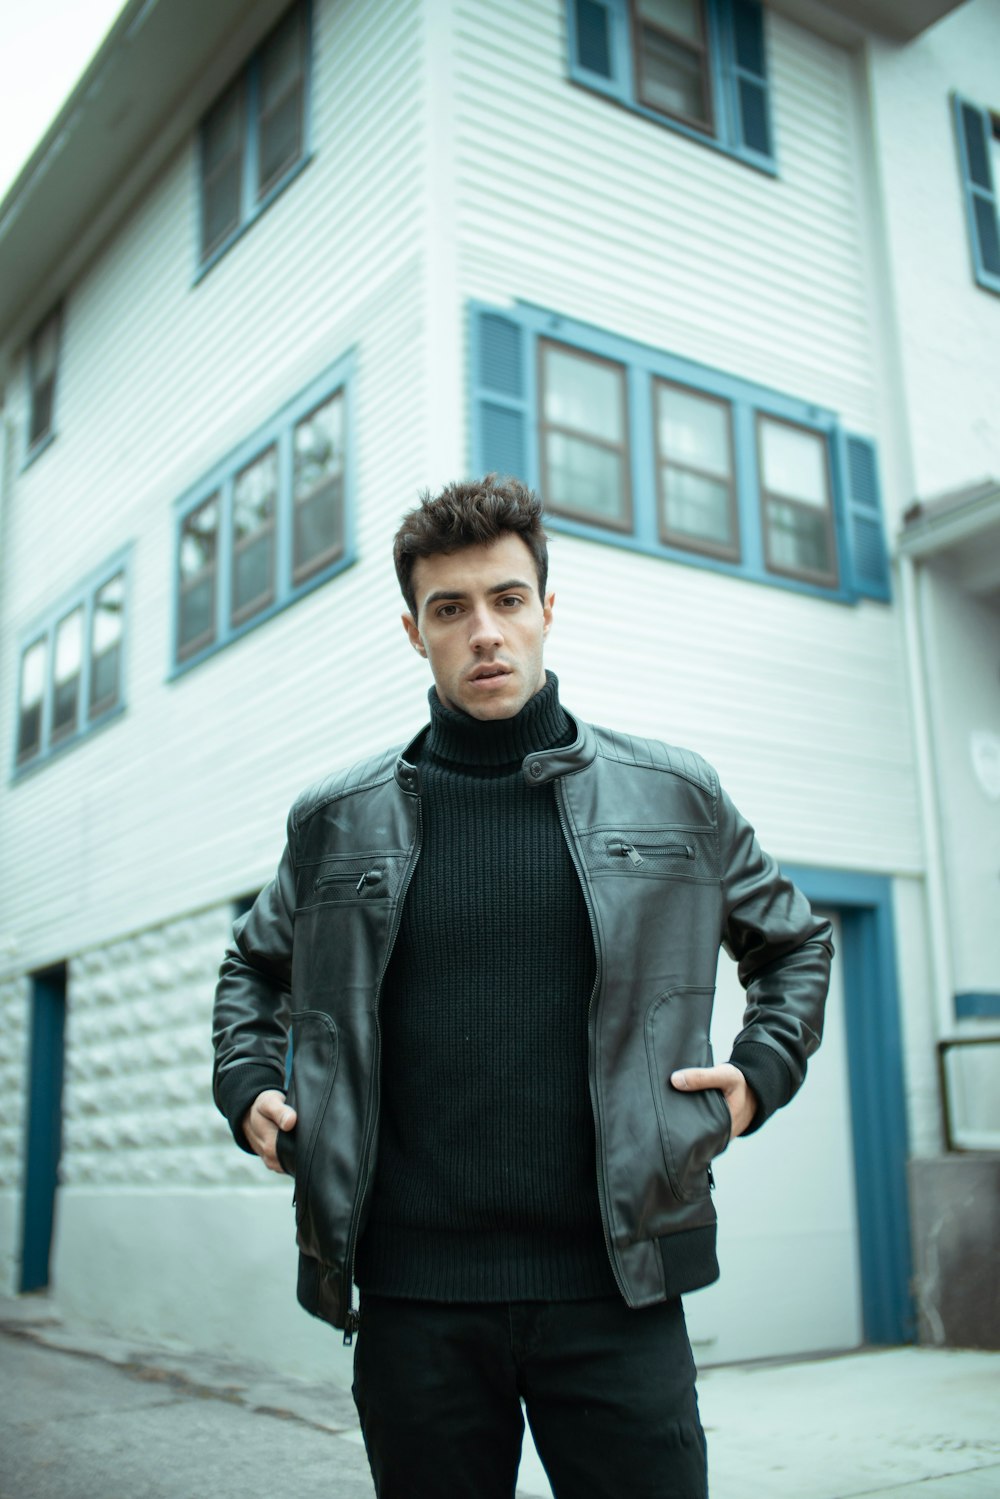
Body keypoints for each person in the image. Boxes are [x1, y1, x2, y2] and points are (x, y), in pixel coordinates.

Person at [212, 474, 832, 1499]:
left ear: (548, 609)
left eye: (506, 599)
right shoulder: (335, 818)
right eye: (450, 609)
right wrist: (247, 1087)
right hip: (413, 1301)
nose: (484, 632)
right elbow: (254, 964)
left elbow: (794, 942)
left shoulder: (674, 792)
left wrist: (757, 1073)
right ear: (414, 631)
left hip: (618, 1285)